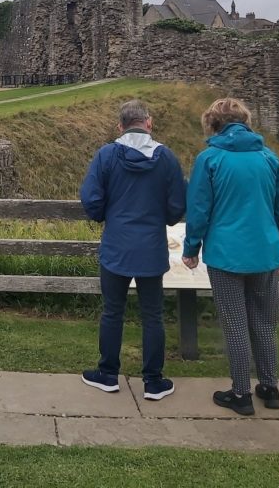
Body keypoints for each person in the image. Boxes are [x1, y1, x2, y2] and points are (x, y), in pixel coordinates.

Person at [183, 98, 279, 416]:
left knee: (234, 323)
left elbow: (199, 209)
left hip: (226, 253)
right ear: (245, 122)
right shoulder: (269, 158)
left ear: (213, 123)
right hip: (267, 251)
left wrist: (191, 248)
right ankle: (270, 388)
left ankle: (241, 393)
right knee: (264, 322)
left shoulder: (210, 159)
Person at [79, 99, 187, 401]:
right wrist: (164, 217)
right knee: (153, 316)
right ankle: (153, 381)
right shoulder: (165, 158)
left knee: (112, 312)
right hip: (151, 247)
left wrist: (104, 215)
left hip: (116, 245)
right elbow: (177, 204)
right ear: (148, 123)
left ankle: (108, 373)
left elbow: (91, 197)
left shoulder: (107, 155)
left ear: (120, 126)